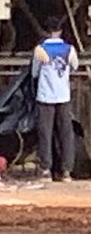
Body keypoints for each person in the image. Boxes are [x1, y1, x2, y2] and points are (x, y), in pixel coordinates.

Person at [31, 15, 79, 182]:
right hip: (63, 95)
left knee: (45, 133)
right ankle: (67, 171)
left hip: (45, 96)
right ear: (60, 31)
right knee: (66, 133)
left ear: (46, 31)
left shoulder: (40, 49)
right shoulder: (69, 49)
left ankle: (46, 169)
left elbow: (34, 73)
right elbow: (75, 66)